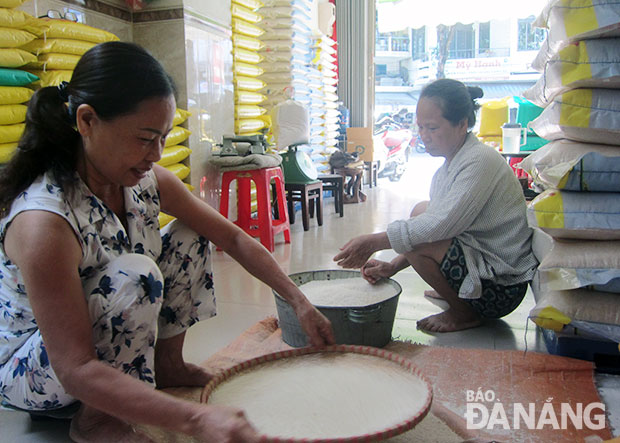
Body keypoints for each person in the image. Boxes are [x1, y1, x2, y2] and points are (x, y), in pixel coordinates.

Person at [0, 42, 334, 442]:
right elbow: (74, 366)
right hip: (42, 369)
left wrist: (298, 302)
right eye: (144, 138)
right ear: (87, 121)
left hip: (99, 350)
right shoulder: (44, 221)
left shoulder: (145, 181)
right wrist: (194, 420)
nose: (155, 154)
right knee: (135, 275)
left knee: (192, 234)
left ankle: (168, 365)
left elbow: (232, 237)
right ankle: (95, 419)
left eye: (162, 138)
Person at [333, 78, 538, 333]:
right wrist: (392, 266)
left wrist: (374, 242)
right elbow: (432, 222)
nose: (424, 137)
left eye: (432, 128)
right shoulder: (450, 167)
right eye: (420, 127)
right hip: (481, 262)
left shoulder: (480, 161)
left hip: (501, 286)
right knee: (422, 210)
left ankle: (464, 313)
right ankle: (458, 293)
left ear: (462, 124)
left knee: (421, 235)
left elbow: (440, 226)